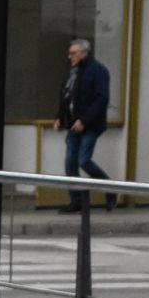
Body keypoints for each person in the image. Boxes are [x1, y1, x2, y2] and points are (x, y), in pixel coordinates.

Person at [52, 38, 113, 213]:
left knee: (83, 160)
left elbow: (101, 99)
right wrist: (59, 118)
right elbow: (66, 97)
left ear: (84, 53)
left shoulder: (98, 71)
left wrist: (84, 120)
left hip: (90, 125)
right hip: (73, 125)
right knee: (70, 163)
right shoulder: (73, 72)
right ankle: (76, 199)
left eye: (73, 53)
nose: (69, 56)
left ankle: (110, 188)